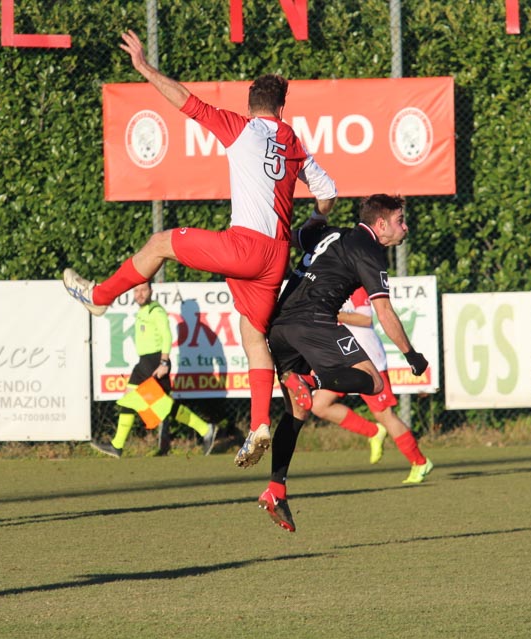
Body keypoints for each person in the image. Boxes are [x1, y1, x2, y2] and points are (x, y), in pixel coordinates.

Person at [62, 30, 337, 471]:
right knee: (253, 336)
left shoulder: (242, 128)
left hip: (245, 246)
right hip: (276, 258)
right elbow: (328, 192)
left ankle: (99, 297)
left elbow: (185, 100)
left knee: (160, 243)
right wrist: (313, 223)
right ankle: (259, 424)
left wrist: (143, 67)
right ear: (282, 108)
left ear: (251, 105)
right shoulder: (293, 143)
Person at [259, 195, 430, 531]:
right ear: (381, 224)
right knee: (373, 380)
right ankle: (311, 382)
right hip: (314, 322)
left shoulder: (331, 233)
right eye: (400, 220)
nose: (405, 227)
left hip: (279, 326)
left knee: (297, 412)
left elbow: (290, 238)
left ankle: (276, 489)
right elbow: (383, 311)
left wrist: (313, 220)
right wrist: (411, 355)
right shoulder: (368, 250)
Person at [89, 281, 219, 458]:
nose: (140, 294)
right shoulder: (143, 311)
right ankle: (117, 446)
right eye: (136, 291)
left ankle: (205, 429)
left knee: (165, 406)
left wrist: (164, 363)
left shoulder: (156, 311)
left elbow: (167, 336)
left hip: (155, 363)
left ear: (151, 291)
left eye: (143, 290)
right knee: (130, 400)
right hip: (143, 364)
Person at [331, 286, 433, 481]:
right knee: (320, 404)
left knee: (385, 414)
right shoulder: (332, 286)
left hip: (369, 360)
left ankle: (420, 462)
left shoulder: (355, 286)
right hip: (346, 360)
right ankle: (374, 432)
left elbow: (365, 319)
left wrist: (333, 313)